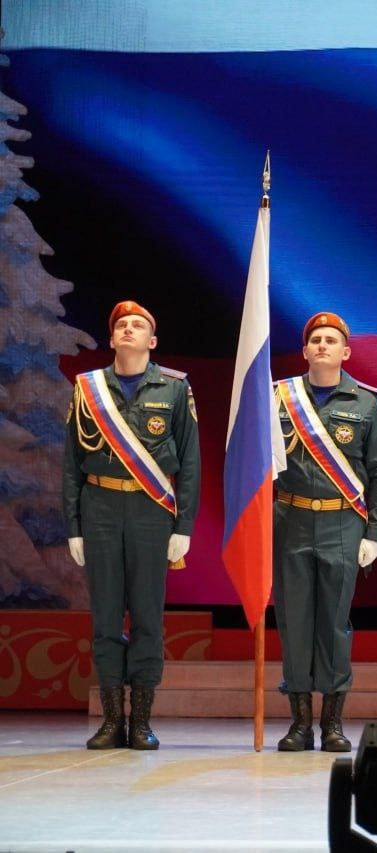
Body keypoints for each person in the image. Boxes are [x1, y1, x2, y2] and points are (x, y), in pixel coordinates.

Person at [63, 300, 200, 750]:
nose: (128, 329)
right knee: (105, 616)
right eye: (121, 324)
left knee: (146, 616)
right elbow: (71, 464)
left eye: (138, 325)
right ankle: (110, 721)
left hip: (150, 510)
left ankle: (140, 721)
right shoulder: (88, 388)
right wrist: (73, 526)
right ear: (111, 337)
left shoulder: (175, 389)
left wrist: (184, 526)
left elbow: (191, 463)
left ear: (152, 340)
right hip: (99, 506)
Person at [273, 312, 377, 752]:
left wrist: (373, 534)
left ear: (346, 352)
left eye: (331, 340)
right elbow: (257, 468)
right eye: (316, 340)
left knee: (334, 625)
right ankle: (299, 723)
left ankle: (332, 723)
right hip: (289, 521)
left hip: (342, 522)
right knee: (294, 622)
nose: (322, 345)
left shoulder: (367, 403)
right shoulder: (278, 397)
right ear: (305, 351)